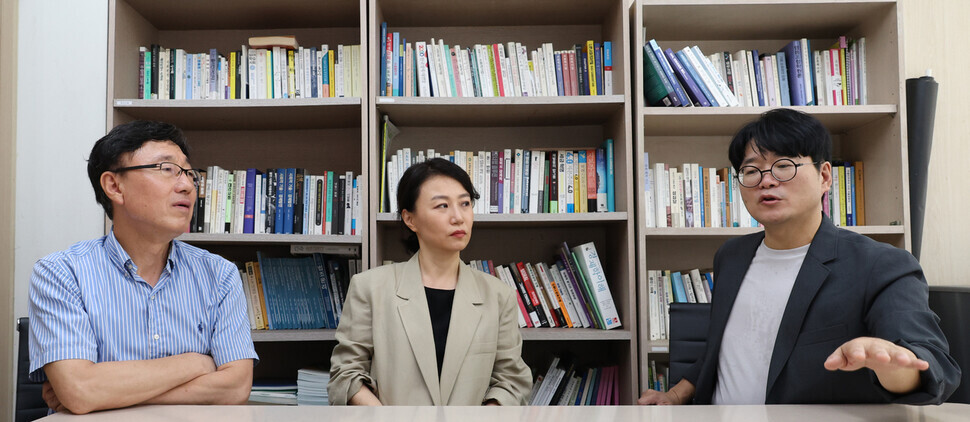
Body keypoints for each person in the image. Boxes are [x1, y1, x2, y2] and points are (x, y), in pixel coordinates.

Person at [639, 108, 960, 405]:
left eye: (783, 165)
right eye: (751, 170)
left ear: (824, 176)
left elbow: (934, 367)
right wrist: (675, 395)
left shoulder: (882, 265)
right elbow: (725, 350)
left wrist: (891, 363)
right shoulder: (731, 256)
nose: (766, 179)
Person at [28, 120, 258, 414]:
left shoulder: (219, 275)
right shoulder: (60, 273)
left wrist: (106, 393)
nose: (187, 185)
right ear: (114, 186)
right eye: (167, 169)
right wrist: (197, 362)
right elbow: (81, 390)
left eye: (188, 173)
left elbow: (236, 388)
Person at [328, 157, 532, 405]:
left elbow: (511, 381)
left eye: (465, 203)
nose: (458, 217)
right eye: (442, 206)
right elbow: (345, 375)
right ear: (410, 219)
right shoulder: (369, 288)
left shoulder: (499, 296)